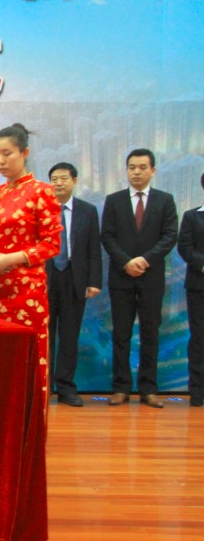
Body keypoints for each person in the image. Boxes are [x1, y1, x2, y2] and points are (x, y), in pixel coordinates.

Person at [0, 124, 61, 406]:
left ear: (25, 153)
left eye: (7, 154)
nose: (1, 161)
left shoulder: (42, 192)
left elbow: (51, 244)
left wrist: (11, 259)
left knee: (29, 357)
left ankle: (29, 420)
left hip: (27, 292)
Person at [101, 148, 178, 408]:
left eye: (142, 167)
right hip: (121, 277)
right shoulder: (114, 200)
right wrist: (126, 262)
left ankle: (148, 389)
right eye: (132, 167)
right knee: (121, 334)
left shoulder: (165, 200)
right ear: (126, 170)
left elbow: (170, 235)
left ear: (152, 171)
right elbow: (107, 236)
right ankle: (121, 388)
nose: (136, 172)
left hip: (151, 277)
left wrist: (144, 260)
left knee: (150, 332)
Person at [45, 163, 102, 407]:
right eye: (54, 179)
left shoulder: (87, 211)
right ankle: (45, 387)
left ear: (74, 181)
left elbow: (94, 249)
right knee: (46, 336)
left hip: (74, 278)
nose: (58, 183)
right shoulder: (42, 209)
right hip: (45, 279)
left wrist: (94, 281)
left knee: (69, 336)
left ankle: (66, 388)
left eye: (63, 178)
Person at [177, 172, 204, 408]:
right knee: (199, 338)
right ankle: (197, 391)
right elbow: (184, 246)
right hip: (199, 286)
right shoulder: (192, 216)